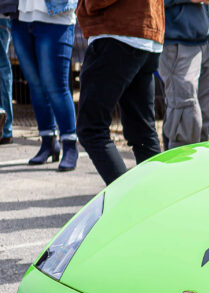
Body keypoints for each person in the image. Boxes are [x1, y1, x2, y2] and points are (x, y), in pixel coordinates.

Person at [76, 0, 164, 185]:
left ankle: (128, 202)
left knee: (91, 128)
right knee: (142, 133)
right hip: (148, 32)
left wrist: (88, 4)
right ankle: (157, 202)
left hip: (118, 31)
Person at [10, 0, 78, 169]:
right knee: (35, 84)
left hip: (56, 16)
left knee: (56, 86)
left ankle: (70, 145)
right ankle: (48, 142)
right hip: (21, 15)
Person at [160, 0, 209, 148]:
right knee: (185, 115)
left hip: (202, 39)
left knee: (203, 115)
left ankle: (196, 166)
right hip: (177, 42)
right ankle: (179, 168)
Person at [0, 1, 13, 145]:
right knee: (3, 69)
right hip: (5, 15)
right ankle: (6, 127)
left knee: (3, 68)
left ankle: (6, 127)